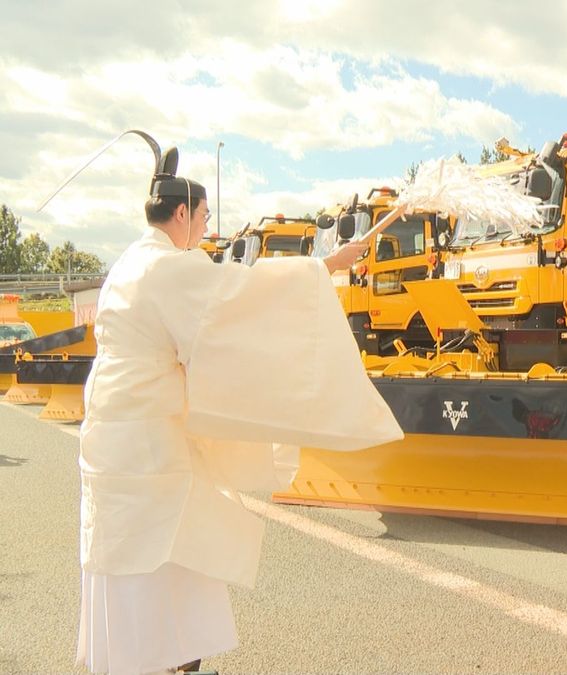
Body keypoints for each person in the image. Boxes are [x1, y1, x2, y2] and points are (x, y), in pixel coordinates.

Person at [76, 161, 403, 674]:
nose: (206, 227)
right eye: (204, 216)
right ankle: (165, 659)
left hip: (115, 430)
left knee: (140, 548)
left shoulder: (129, 263)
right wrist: (326, 265)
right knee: (168, 547)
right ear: (181, 212)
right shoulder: (164, 266)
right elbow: (236, 297)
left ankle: (146, 657)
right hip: (146, 440)